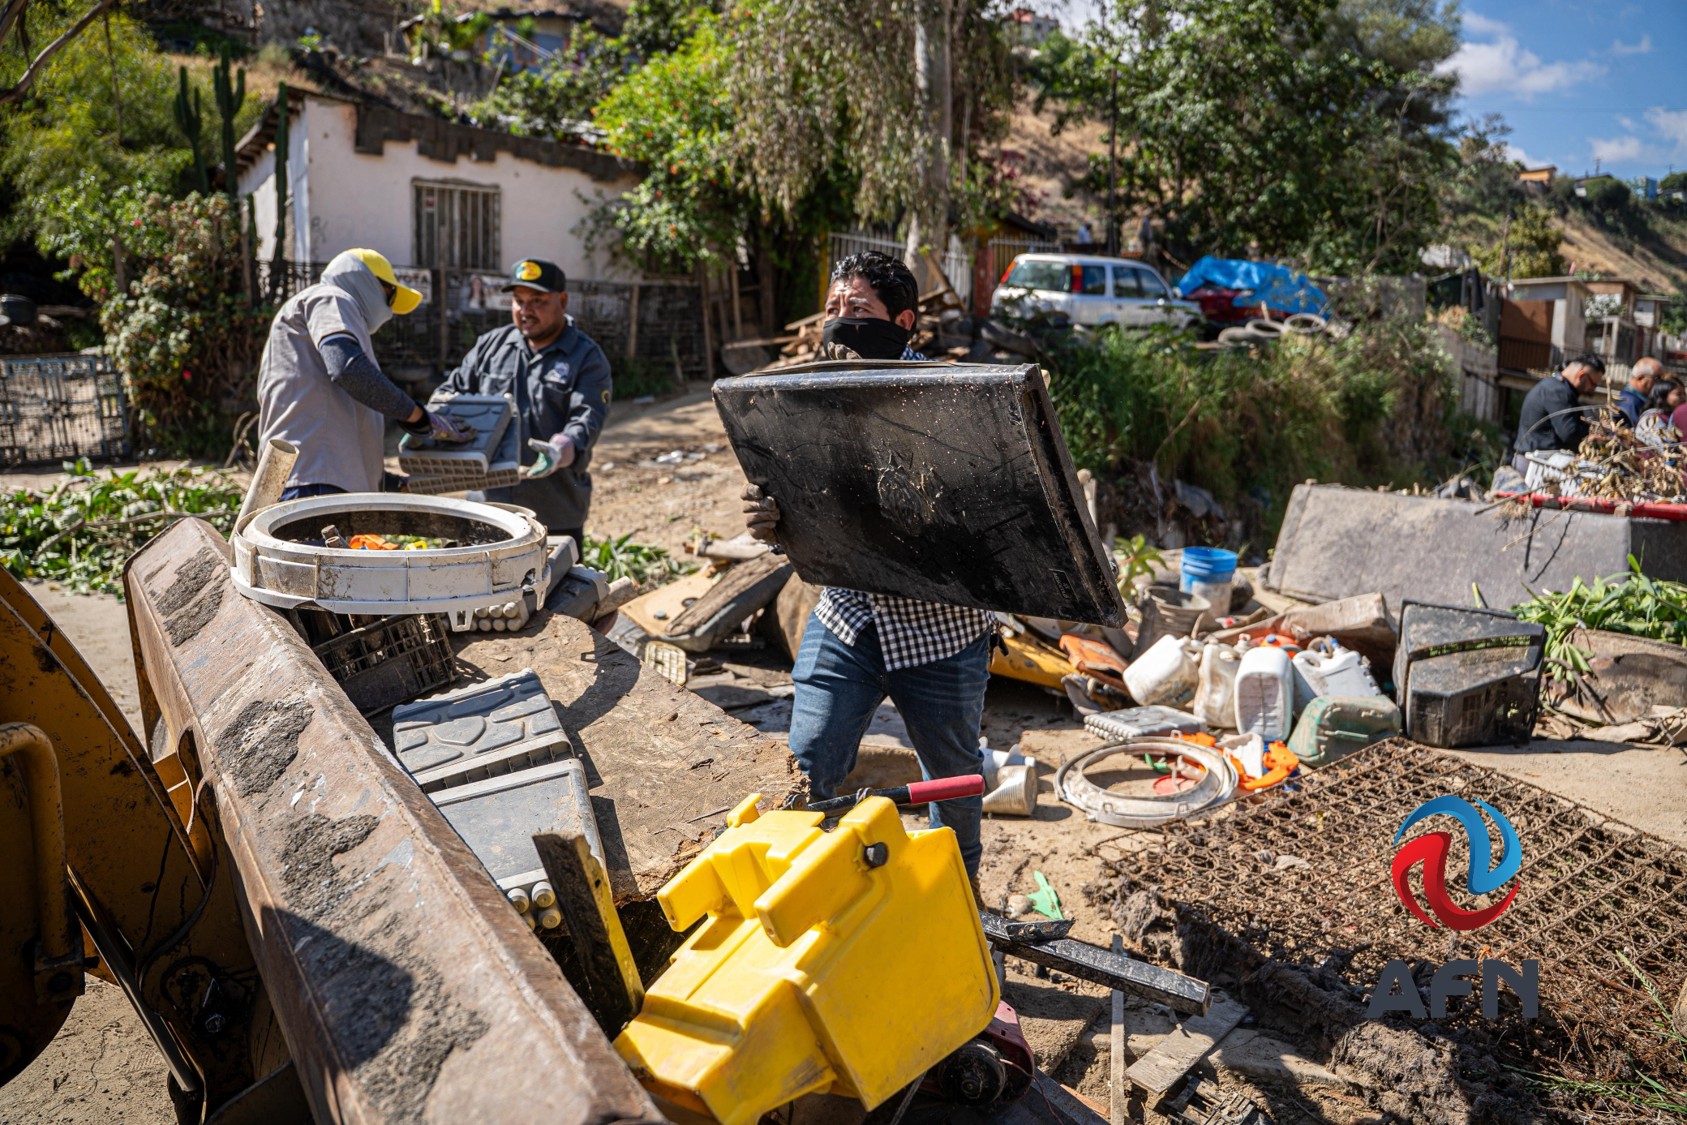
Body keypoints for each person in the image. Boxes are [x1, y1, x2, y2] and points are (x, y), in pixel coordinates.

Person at [741, 250, 996, 883]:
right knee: (806, 769)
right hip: (848, 620)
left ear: (903, 321)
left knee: (951, 786)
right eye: (833, 306)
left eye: (857, 307)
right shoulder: (803, 396)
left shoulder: (948, 401)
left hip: (942, 632)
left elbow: (985, 517)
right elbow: (803, 509)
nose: (839, 318)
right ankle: (810, 897)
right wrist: (774, 523)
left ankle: (959, 906)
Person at [258, 249, 470, 498]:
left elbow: (331, 424)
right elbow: (347, 368)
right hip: (313, 480)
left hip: (303, 477)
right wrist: (418, 417)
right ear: (366, 281)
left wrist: (391, 483)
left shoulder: (310, 322)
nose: (389, 311)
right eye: (390, 297)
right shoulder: (331, 297)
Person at [439, 259, 612, 557]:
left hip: (552, 515)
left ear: (563, 300)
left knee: (554, 587)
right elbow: (448, 394)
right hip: (487, 509)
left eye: (537, 301)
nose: (525, 310)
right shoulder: (490, 347)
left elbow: (585, 422)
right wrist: (436, 422)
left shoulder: (586, 358)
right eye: (518, 301)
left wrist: (558, 450)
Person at [1512, 353, 1605, 471]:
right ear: (1581, 376)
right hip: (1532, 466)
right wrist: (1592, 436)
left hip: (1535, 462)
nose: (1592, 390)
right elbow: (1569, 433)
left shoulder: (1554, 386)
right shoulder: (1557, 391)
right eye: (1593, 384)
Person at [1635, 378, 1683, 449]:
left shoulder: (1670, 416)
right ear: (1663, 395)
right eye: (1678, 394)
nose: (1683, 397)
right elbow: (1659, 447)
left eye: (1684, 394)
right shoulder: (1652, 419)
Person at [1614, 357, 1661, 427]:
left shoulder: (1635, 399)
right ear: (1640, 377)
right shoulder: (1630, 402)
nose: (1660, 383)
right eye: (1657, 378)